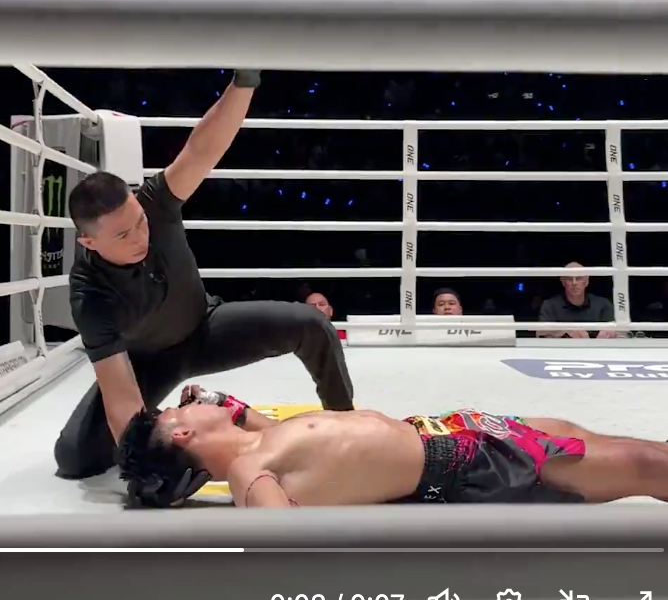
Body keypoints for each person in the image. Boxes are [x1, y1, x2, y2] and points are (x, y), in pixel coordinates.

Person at [56, 70, 355, 504]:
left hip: (205, 327)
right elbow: (121, 396)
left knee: (310, 324)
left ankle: (349, 428)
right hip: (149, 364)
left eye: (139, 222)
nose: (140, 237)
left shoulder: (155, 202)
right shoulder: (89, 291)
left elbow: (204, 147)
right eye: (122, 234)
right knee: (74, 456)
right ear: (88, 242)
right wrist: (148, 471)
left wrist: (245, 80)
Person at [118, 386, 668, 508]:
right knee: (647, 467)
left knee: (633, 448)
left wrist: (230, 405)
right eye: (176, 412)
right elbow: (283, 542)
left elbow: (301, 436)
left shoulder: (260, 438)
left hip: (457, 429)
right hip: (466, 465)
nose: (189, 403)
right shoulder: (248, 469)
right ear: (182, 434)